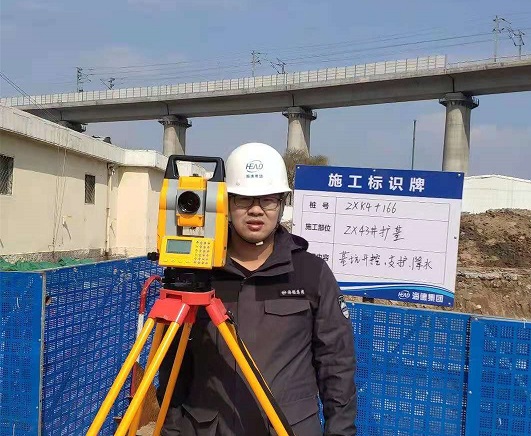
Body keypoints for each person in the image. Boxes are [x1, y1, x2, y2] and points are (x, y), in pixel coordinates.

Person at [157, 142, 357, 435]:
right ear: (225, 202)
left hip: (287, 428)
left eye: (268, 200)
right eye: (243, 200)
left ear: (282, 203)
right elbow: (172, 363)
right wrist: (171, 430)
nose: (255, 210)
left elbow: (336, 365)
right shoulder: (198, 275)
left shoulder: (311, 273)